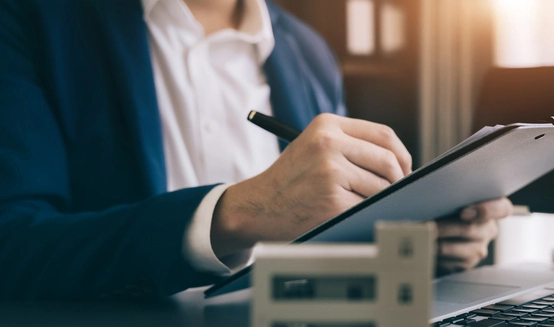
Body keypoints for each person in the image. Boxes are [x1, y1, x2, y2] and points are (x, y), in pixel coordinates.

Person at [0, 0, 513, 301]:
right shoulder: (32, 21)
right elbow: (14, 244)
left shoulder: (307, 50)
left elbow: (322, 243)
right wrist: (239, 212)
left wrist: (407, 247)